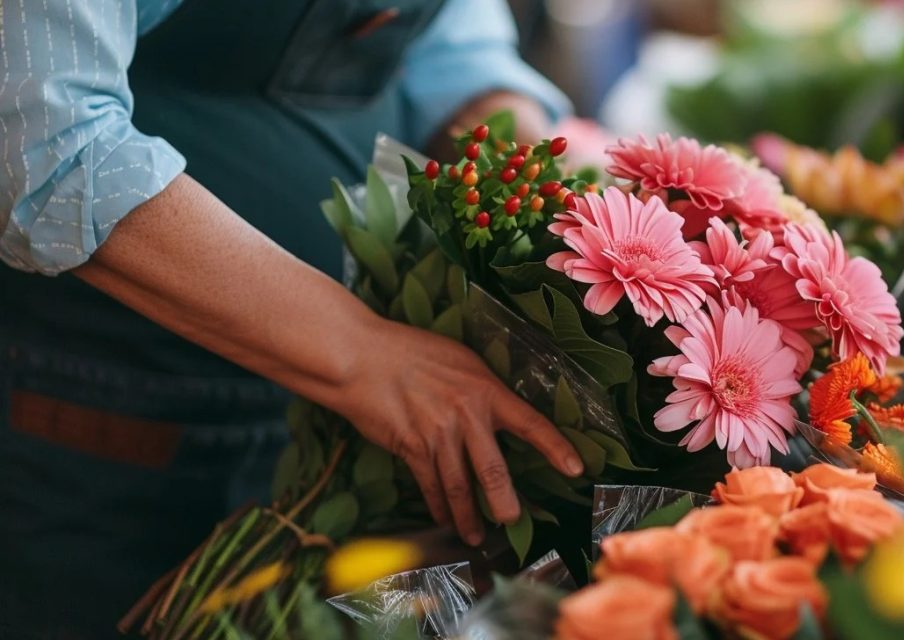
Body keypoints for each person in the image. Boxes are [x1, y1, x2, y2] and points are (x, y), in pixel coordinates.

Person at [0, 0, 584, 637]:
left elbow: (452, 53)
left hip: (322, 428)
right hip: (97, 414)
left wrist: (561, 230)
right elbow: (41, 144)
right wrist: (363, 354)